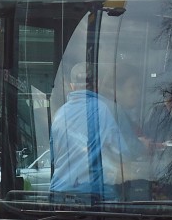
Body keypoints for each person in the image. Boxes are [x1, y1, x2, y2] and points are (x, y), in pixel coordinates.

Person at [48, 62, 131, 196]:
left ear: (72, 86)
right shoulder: (105, 109)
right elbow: (122, 154)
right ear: (97, 83)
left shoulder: (59, 115)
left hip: (60, 193)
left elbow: (53, 157)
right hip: (95, 195)